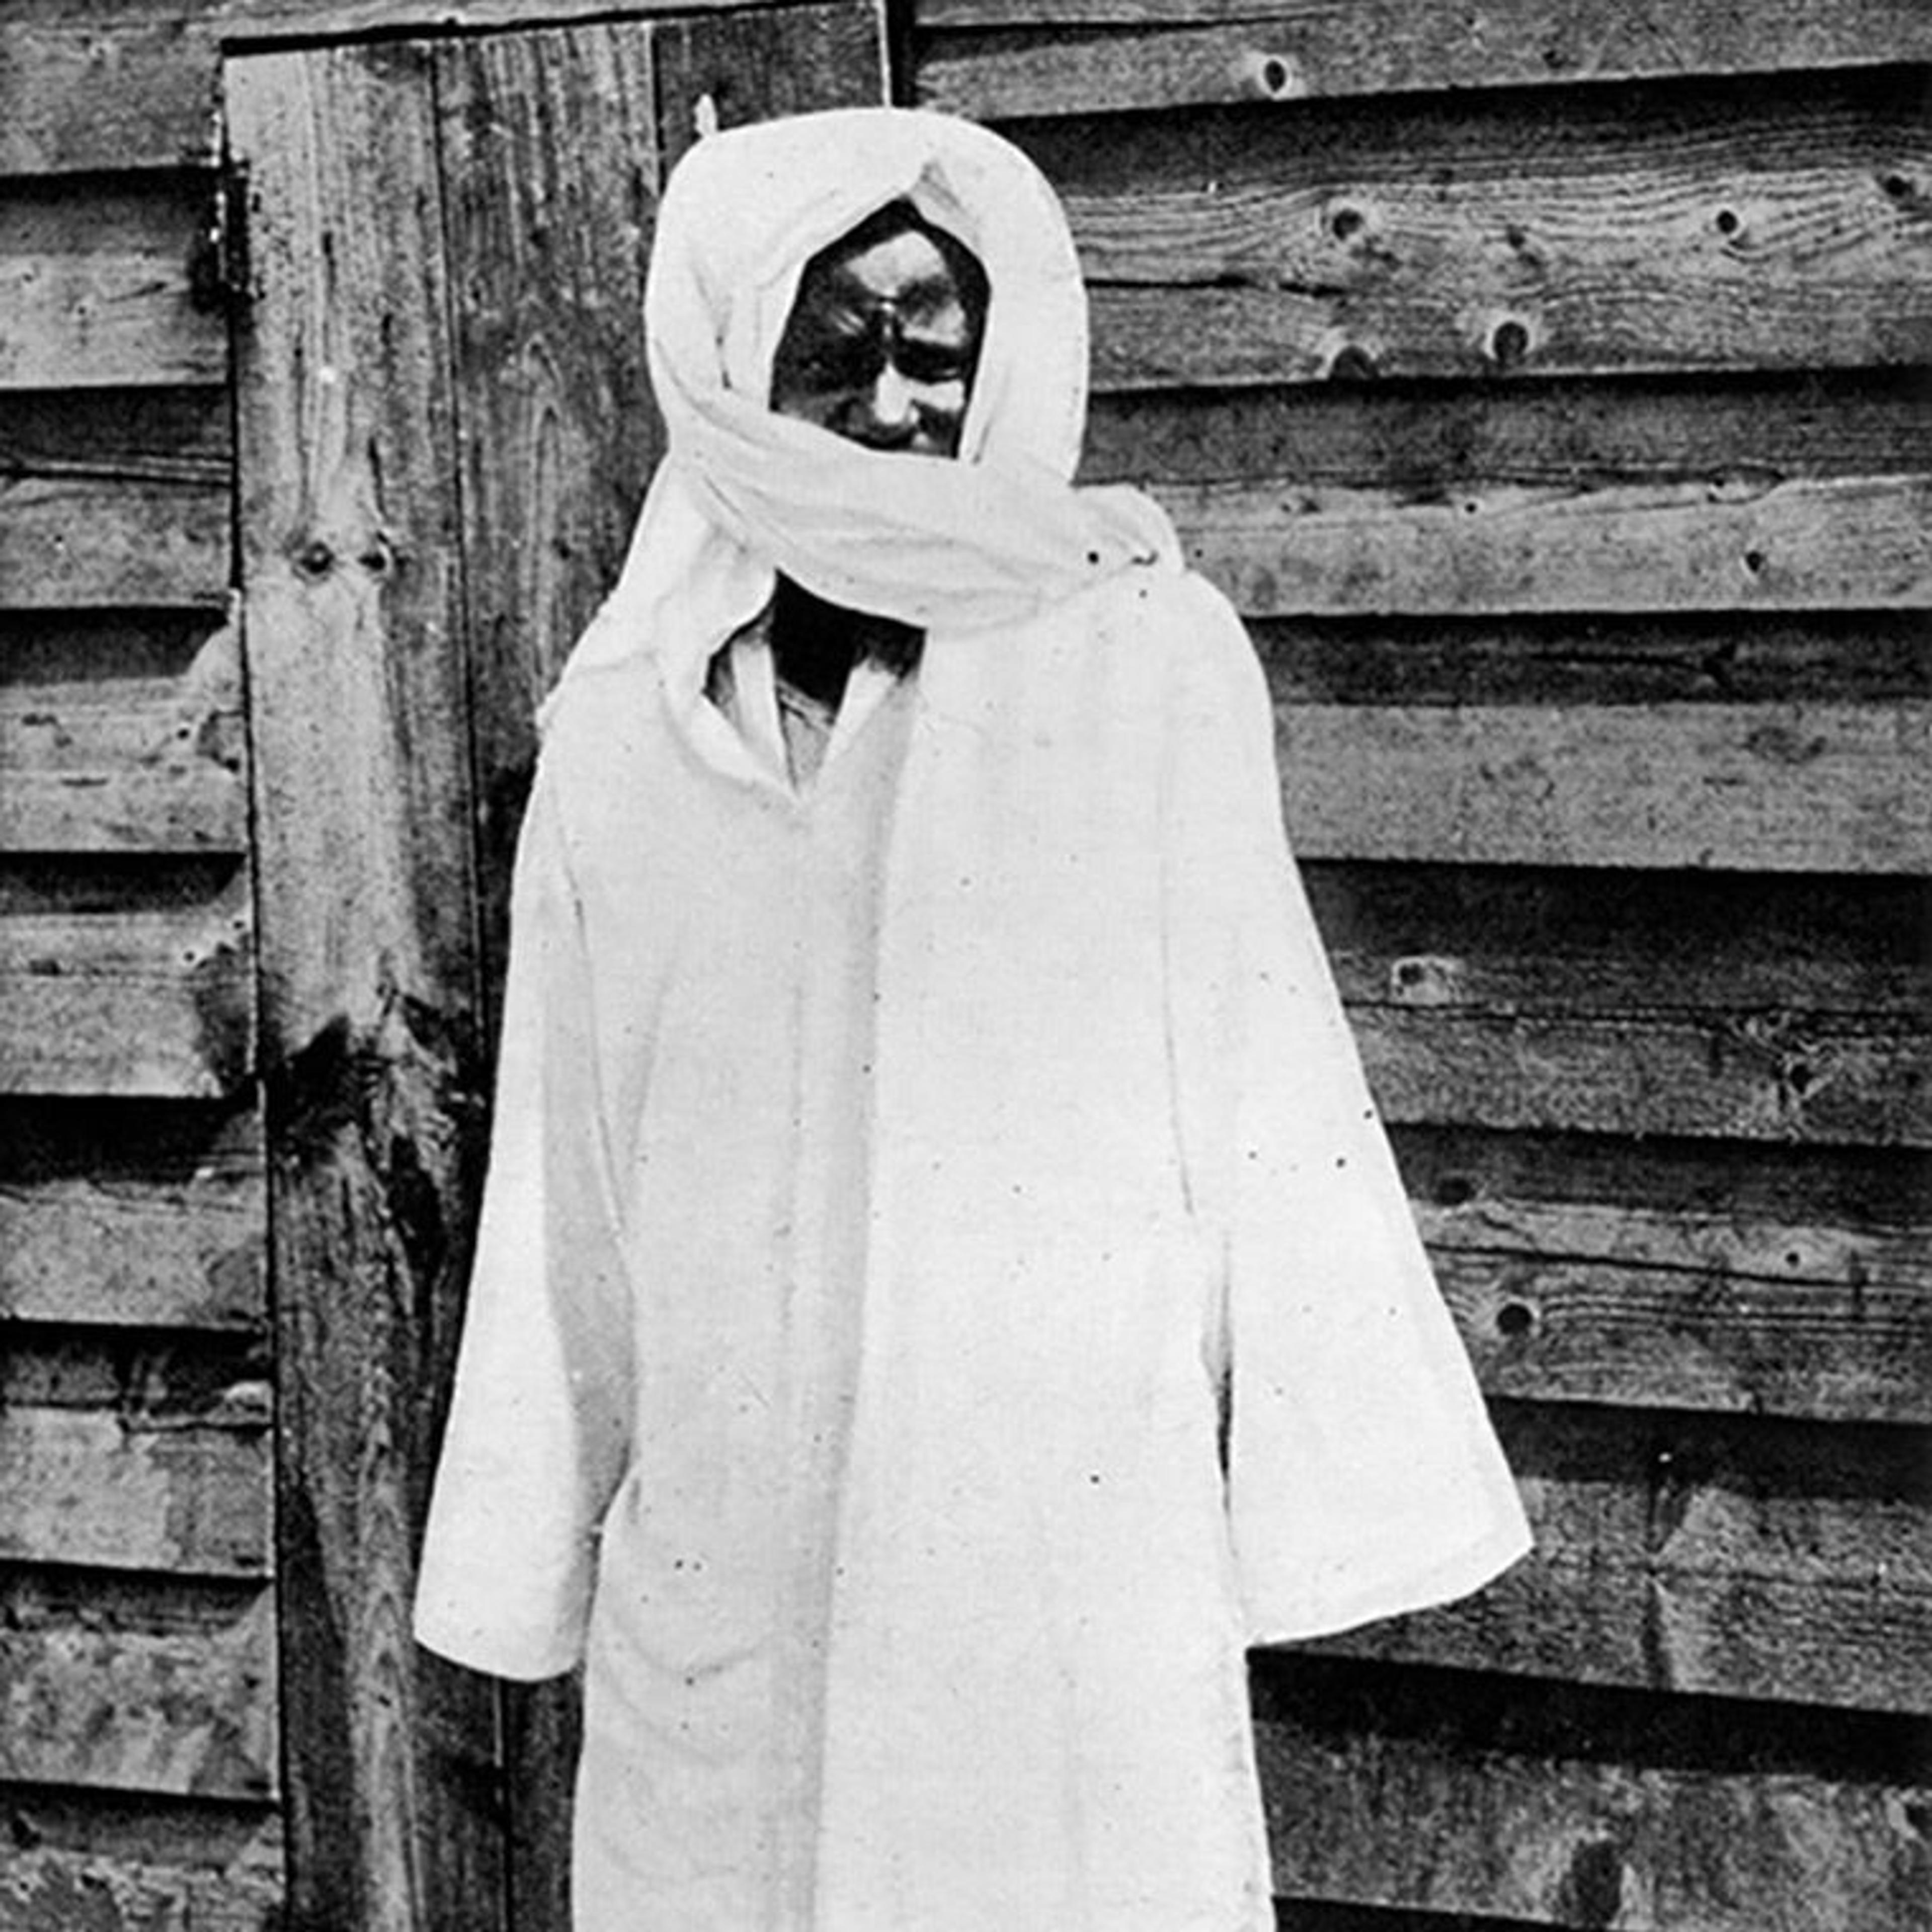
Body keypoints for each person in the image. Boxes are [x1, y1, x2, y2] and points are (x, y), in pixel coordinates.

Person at [414, 107, 1530, 1932]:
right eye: (835, 356)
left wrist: (1321, 1489)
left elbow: (1269, 1092)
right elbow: (570, 1191)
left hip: (1043, 1547)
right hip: (726, 1567)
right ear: (725, 363)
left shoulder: (1135, 666)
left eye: (938, 355)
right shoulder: (624, 739)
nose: (899, 411)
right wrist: (535, 1541)